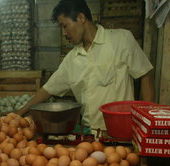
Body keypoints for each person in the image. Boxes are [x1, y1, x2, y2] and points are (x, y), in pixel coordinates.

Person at [16, 0, 155, 131]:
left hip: (121, 131)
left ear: (81, 18)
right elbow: (47, 90)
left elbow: (145, 75)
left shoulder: (121, 40)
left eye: (65, 26)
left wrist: (147, 122)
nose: (64, 33)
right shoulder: (72, 59)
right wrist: (19, 114)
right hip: (89, 133)